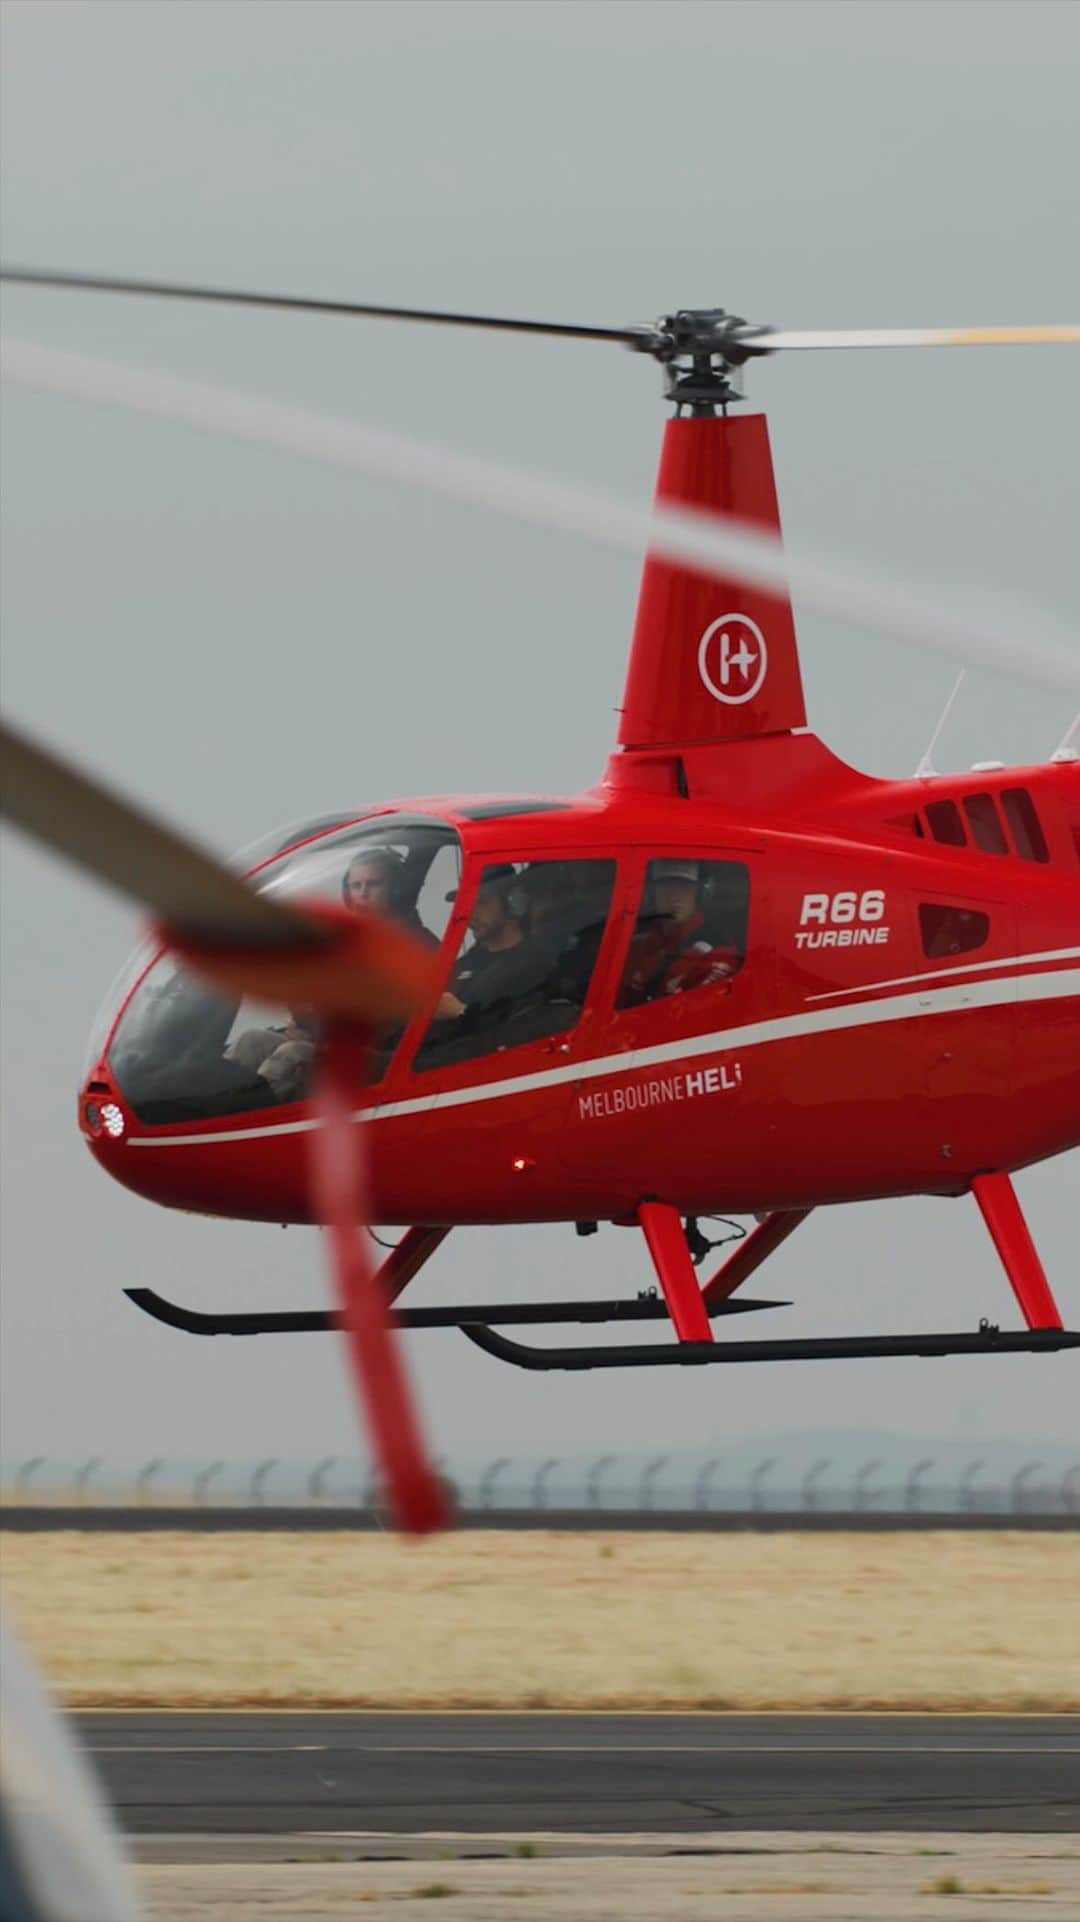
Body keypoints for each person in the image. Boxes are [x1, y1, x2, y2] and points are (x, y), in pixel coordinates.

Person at [619, 860, 741, 1006]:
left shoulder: (717, 952)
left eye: (684, 888)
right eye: (666, 887)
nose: (675, 896)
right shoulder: (638, 947)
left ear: (700, 894)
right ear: (652, 894)